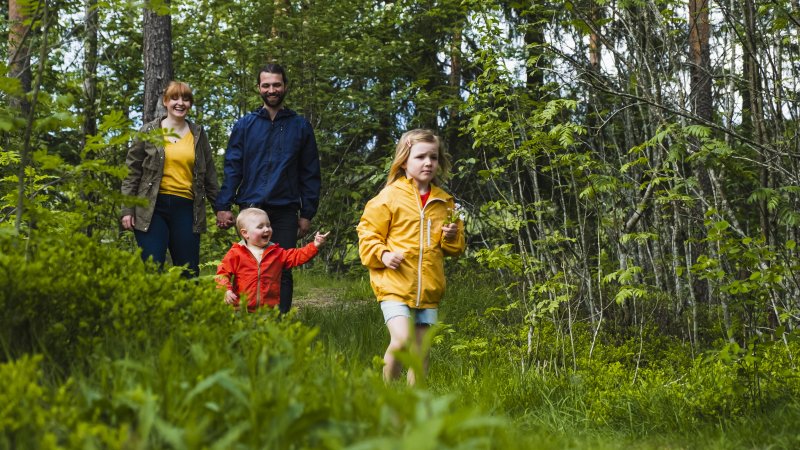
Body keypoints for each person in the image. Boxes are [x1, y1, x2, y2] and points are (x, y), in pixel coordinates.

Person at [356, 129, 465, 384]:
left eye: (433, 157)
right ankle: (387, 393)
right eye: (420, 157)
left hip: (429, 288)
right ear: (404, 161)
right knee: (402, 340)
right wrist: (383, 255)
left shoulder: (445, 202)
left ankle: (415, 404)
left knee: (420, 351)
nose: (428, 162)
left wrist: (451, 236)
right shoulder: (389, 197)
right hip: (394, 284)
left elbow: (455, 248)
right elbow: (368, 234)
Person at [215, 63, 321, 313]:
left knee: (282, 269)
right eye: (266, 85)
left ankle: (280, 325)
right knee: (246, 268)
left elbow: (310, 172)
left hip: (285, 210)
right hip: (251, 208)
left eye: (276, 84)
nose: (272, 89)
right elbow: (232, 166)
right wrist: (223, 205)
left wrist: (307, 213)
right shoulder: (245, 125)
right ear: (258, 88)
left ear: (285, 86)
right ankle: (248, 322)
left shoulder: (300, 126)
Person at [120, 81, 219, 277]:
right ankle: (153, 308)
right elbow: (132, 173)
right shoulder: (148, 132)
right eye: (174, 98)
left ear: (190, 103)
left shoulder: (198, 134)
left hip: (187, 209)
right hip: (151, 208)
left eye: (185, 99)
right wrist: (127, 209)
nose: (180, 103)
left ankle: (187, 308)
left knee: (188, 272)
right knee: (152, 268)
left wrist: (221, 209)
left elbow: (210, 176)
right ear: (165, 102)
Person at [216, 208, 329, 312]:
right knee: (244, 334)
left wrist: (315, 245)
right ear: (245, 233)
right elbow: (222, 273)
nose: (266, 229)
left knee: (266, 334)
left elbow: (297, 256)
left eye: (268, 225)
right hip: (241, 309)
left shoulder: (276, 252)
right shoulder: (236, 253)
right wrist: (226, 290)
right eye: (260, 227)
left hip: (268, 310)